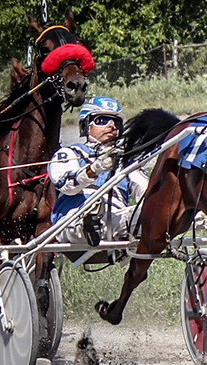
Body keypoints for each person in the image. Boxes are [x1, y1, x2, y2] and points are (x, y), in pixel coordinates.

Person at [47, 97, 145, 254]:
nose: (111, 126)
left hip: (115, 220)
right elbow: (66, 185)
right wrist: (94, 169)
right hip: (73, 217)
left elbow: (145, 190)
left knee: (156, 212)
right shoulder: (70, 153)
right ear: (86, 125)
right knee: (88, 216)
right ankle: (90, 222)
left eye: (116, 122)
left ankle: (198, 215)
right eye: (103, 120)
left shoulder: (127, 161)